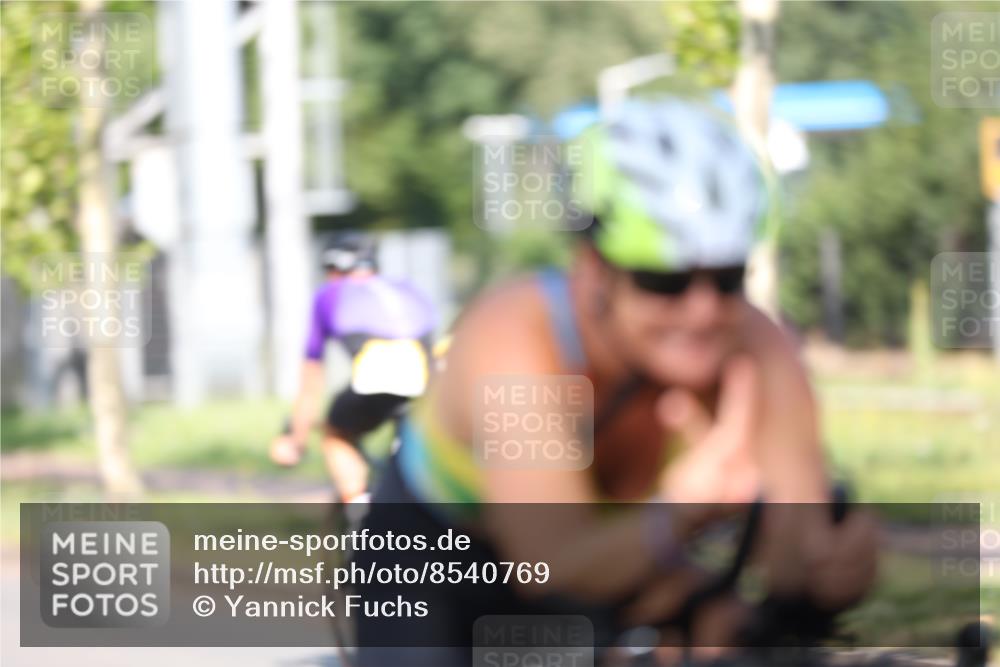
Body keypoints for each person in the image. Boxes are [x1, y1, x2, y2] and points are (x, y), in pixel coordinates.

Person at [354, 98, 877, 666]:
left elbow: (795, 556)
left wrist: (831, 570)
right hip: (441, 562)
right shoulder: (515, 340)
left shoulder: (758, 346)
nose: (702, 312)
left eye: (728, 279)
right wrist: (685, 509)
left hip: (619, 556)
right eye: (664, 281)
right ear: (594, 268)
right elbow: (546, 569)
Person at [269, 233, 437, 503]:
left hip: (378, 382)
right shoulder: (408, 287)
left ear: (334, 268)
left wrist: (295, 440)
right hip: (433, 384)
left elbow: (311, 382)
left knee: (336, 434)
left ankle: (358, 508)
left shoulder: (329, 294)